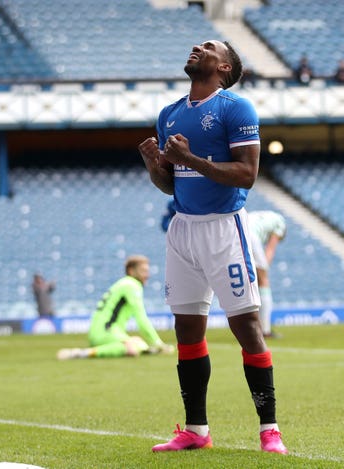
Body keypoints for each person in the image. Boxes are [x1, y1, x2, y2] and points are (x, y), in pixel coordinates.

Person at [138, 40, 287, 454]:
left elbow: (246, 174)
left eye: (207, 46)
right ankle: (196, 431)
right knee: (186, 328)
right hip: (183, 229)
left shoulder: (235, 108)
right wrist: (156, 167)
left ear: (223, 66)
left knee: (246, 328)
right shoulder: (170, 114)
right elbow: (173, 183)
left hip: (225, 229)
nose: (195, 47)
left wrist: (192, 159)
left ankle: (269, 430)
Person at [56, 255, 174, 359]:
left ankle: (144, 349)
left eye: (147, 271)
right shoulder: (131, 285)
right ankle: (84, 353)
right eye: (143, 271)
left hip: (100, 331)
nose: (147, 275)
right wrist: (158, 343)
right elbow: (141, 318)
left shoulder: (123, 283)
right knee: (133, 348)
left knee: (139, 343)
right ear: (131, 271)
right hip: (106, 332)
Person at [248, 211, 287, 338]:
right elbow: (270, 249)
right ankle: (265, 330)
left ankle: (251, 326)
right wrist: (264, 270)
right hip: (250, 235)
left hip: (235, 231)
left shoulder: (263, 216)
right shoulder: (280, 223)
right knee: (263, 281)